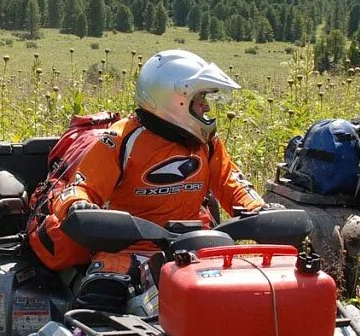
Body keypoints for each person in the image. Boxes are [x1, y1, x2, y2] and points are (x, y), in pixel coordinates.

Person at [30, 49, 267, 280]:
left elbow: (231, 182)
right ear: (177, 100)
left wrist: (259, 209)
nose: (206, 107)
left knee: (243, 295)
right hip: (126, 247)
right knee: (101, 292)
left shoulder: (206, 143)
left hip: (196, 245)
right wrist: (78, 204)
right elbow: (83, 186)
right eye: (200, 99)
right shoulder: (121, 139)